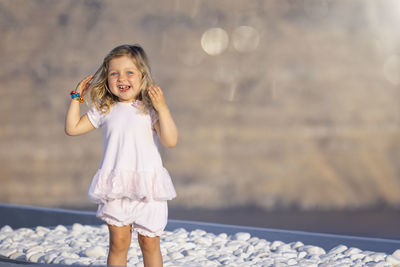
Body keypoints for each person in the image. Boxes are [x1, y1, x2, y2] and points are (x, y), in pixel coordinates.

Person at [65, 44, 178, 267]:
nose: (121, 78)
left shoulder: (150, 109)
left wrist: (163, 107)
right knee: (118, 243)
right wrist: (77, 95)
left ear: (142, 75)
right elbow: (72, 128)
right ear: (107, 79)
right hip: (115, 186)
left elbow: (171, 140)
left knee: (149, 243)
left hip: (149, 186)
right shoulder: (104, 109)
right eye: (114, 73)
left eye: (129, 72)